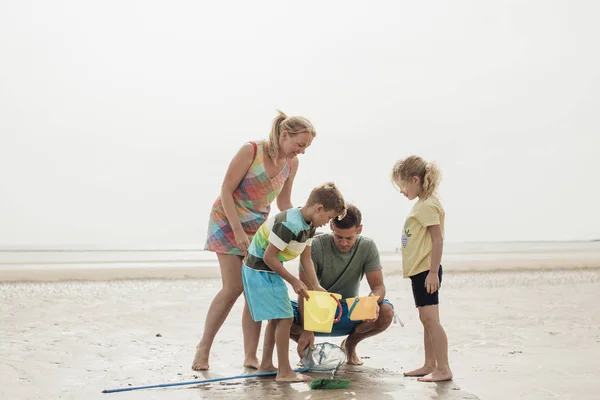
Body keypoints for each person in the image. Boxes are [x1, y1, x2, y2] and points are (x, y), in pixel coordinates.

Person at [192, 111, 316, 371]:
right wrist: (237, 230)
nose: (302, 151)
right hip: (226, 222)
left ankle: (250, 355)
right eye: (300, 144)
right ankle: (203, 348)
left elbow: (283, 203)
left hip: (259, 229)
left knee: (254, 290)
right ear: (284, 135)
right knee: (234, 287)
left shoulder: (291, 164)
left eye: (306, 147)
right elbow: (226, 189)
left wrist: (301, 225)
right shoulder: (251, 151)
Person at [242, 182, 346, 382]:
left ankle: (265, 365)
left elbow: (306, 258)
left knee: (277, 317)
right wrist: (293, 281)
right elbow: (269, 258)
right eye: (330, 217)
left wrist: (315, 285)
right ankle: (284, 372)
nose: (328, 222)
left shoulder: (309, 225)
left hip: (268, 269)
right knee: (286, 317)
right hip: (259, 269)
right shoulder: (290, 224)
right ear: (319, 208)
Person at [291, 204, 394, 365]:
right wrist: (306, 328)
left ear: (359, 230)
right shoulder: (315, 245)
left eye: (349, 238)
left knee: (386, 311)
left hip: (347, 311)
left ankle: (350, 345)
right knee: (278, 314)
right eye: (339, 237)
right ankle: (307, 350)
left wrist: (372, 301)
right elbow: (304, 291)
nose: (344, 243)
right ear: (331, 226)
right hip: (315, 311)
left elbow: (378, 287)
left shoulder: (367, 246)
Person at [391, 155, 452, 382]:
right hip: (421, 271)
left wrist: (433, 272)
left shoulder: (427, 205)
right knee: (425, 319)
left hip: (426, 271)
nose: (402, 191)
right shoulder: (423, 204)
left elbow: (438, 239)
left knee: (431, 320)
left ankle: (443, 368)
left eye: (403, 185)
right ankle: (430, 364)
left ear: (415, 180)